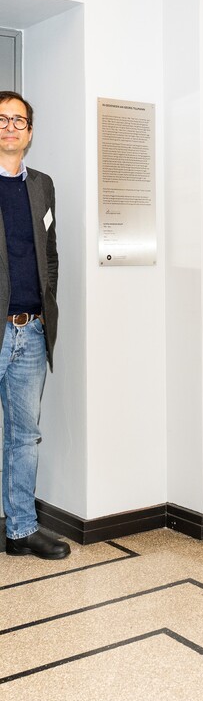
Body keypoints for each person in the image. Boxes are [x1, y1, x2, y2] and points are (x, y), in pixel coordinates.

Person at [0, 90, 70, 559]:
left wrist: (46, 309)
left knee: (25, 435)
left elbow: (51, 255)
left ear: (30, 132)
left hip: (31, 329)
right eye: (1, 119)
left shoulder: (42, 184)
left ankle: (21, 529)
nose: (10, 127)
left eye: (18, 121)